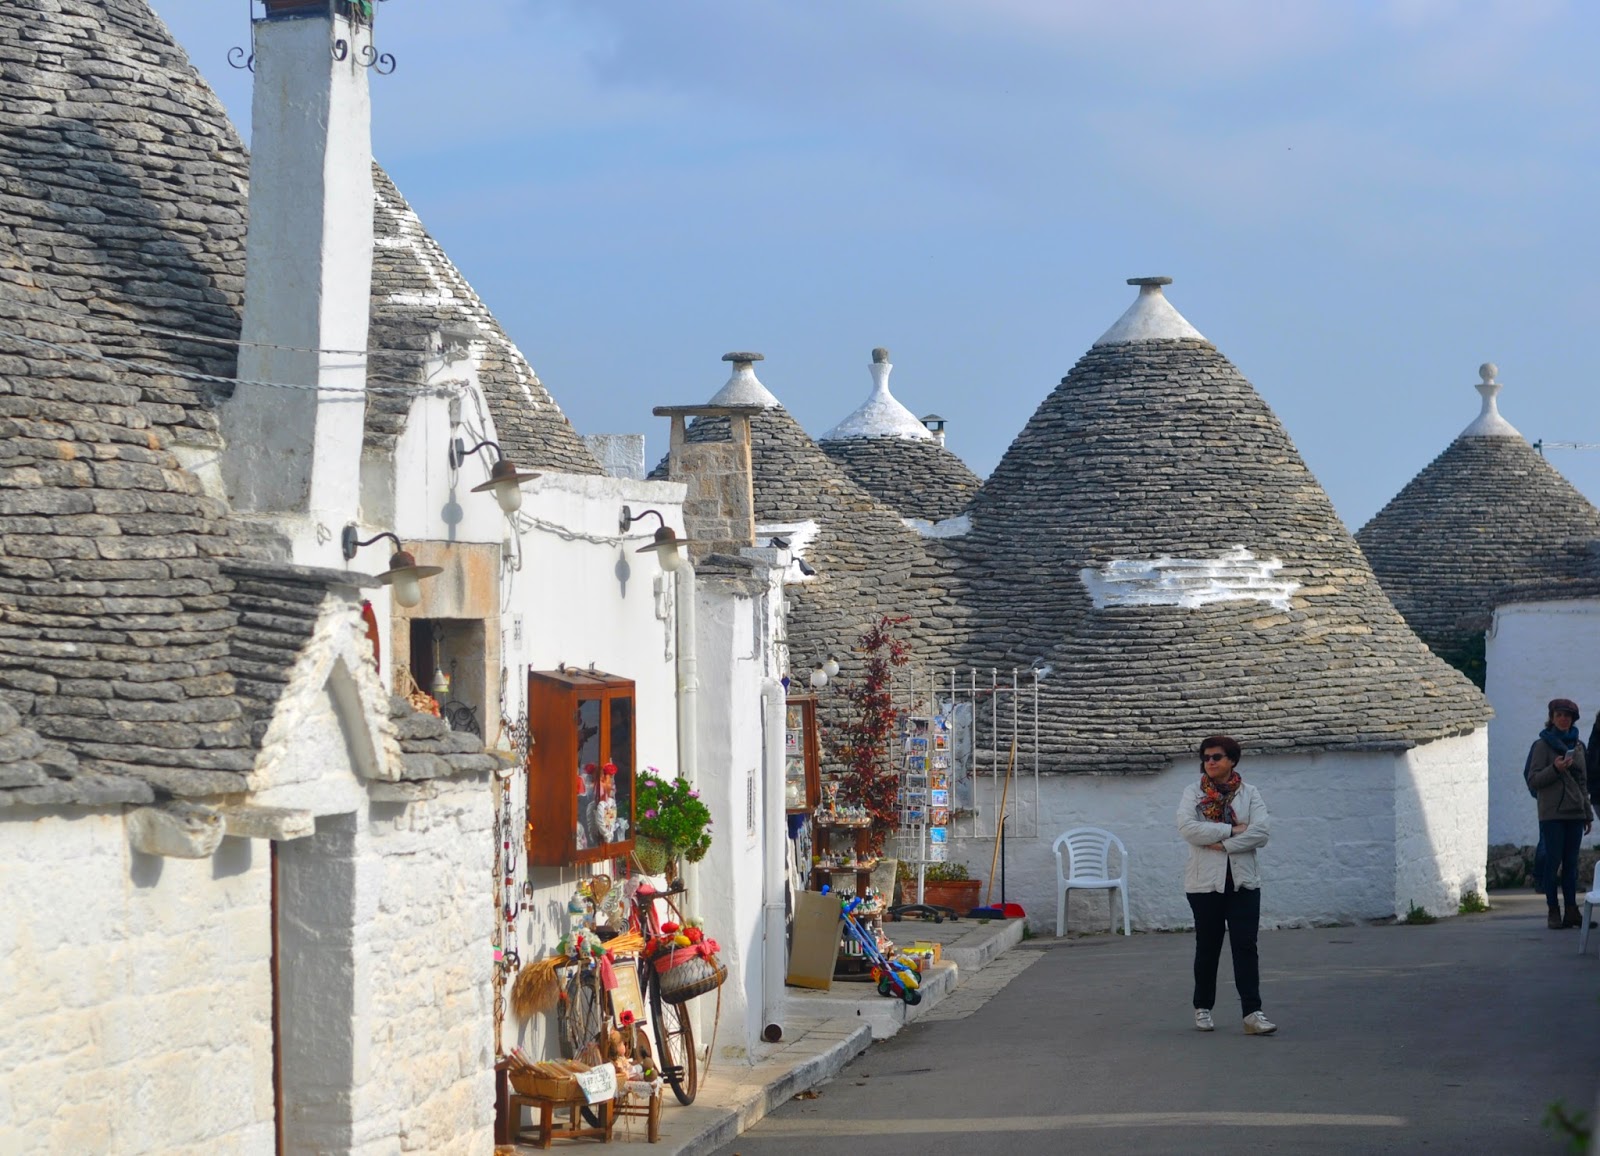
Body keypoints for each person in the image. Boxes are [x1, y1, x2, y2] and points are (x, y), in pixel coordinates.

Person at [1176, 735, 1275, 1035]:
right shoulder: (1193, 793)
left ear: (1232, 760)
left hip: (1243, 883)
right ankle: (1202, 1007)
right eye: (1206, 757)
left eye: (1216, 757)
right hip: (1204, 884)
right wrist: (1232, 830)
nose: (1210, 762)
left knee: (1245, 946)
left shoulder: (1249, 793)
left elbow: (1261, 833)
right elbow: (1188, 829)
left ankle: (1252, 1013)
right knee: (1208, 946)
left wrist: (1224, 845)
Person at [1525, 698, 1593, 930]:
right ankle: (1553, 911)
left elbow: (1582, 782)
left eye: (1567, 716)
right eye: (1559, 715)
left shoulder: (1579, 746)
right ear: (1552, 718)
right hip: (1552, 813)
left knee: (1571, 865)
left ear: (1573, 719)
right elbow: (1533, 779)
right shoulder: (1541, 746)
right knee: (1553, 863)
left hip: (1575, 813)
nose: (1563, 719)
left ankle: (1572, 911)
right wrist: (1555, 768)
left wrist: (1587, 813)